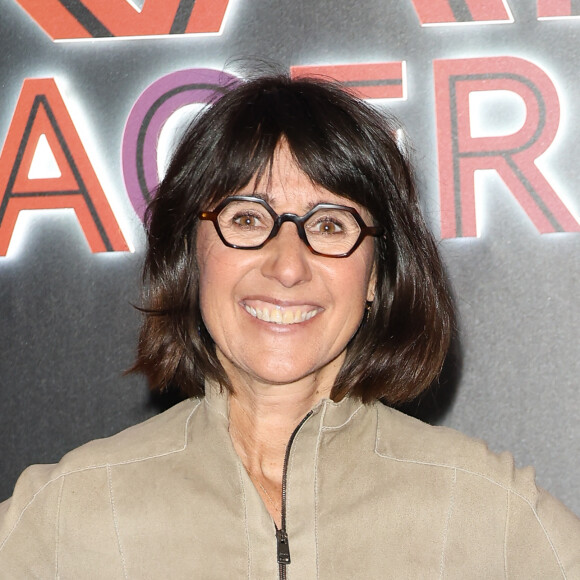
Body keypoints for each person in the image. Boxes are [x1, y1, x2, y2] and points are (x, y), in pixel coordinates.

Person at [0, 74, 579, 578]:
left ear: (377, 275)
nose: (287, 265)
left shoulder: (485, 508)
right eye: (247, 218)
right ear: (190, 255)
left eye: (330, 226)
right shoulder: (64, 514)